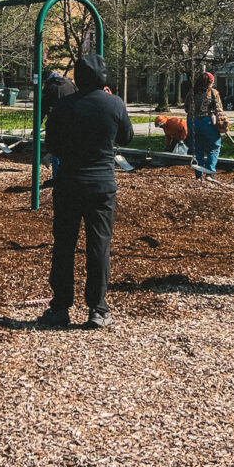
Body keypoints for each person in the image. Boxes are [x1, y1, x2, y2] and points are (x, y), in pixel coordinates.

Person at [38, 54, 134, 330]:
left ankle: (60, 307)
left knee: (64, 245)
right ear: (103, 77)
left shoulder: (63, 106)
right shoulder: (114, 103)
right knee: (99, 246)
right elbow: (126, 137)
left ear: (78, 77)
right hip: (102, 185)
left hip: (69, 183)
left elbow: (52, 144)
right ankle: (97, 308)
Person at [40, 69, 76, 187]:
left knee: (56, 148)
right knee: (69, 150)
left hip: (56, 123)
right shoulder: (69, 83)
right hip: (72, 121)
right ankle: (68, 177)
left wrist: (38, 124)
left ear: (45, 80)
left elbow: (43, 107)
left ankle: (57, 177)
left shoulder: (50, 87)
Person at [185, 71, 223, 178]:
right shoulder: (213, 93)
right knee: (214, 147)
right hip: (207, 121)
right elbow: (219, 110)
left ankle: (199, 174)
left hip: (192, 122)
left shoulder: (191, 93)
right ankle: (210, 173)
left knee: (198, 148)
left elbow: (186, 108)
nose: (213, 84)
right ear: (209, 82)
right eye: (212, 82)